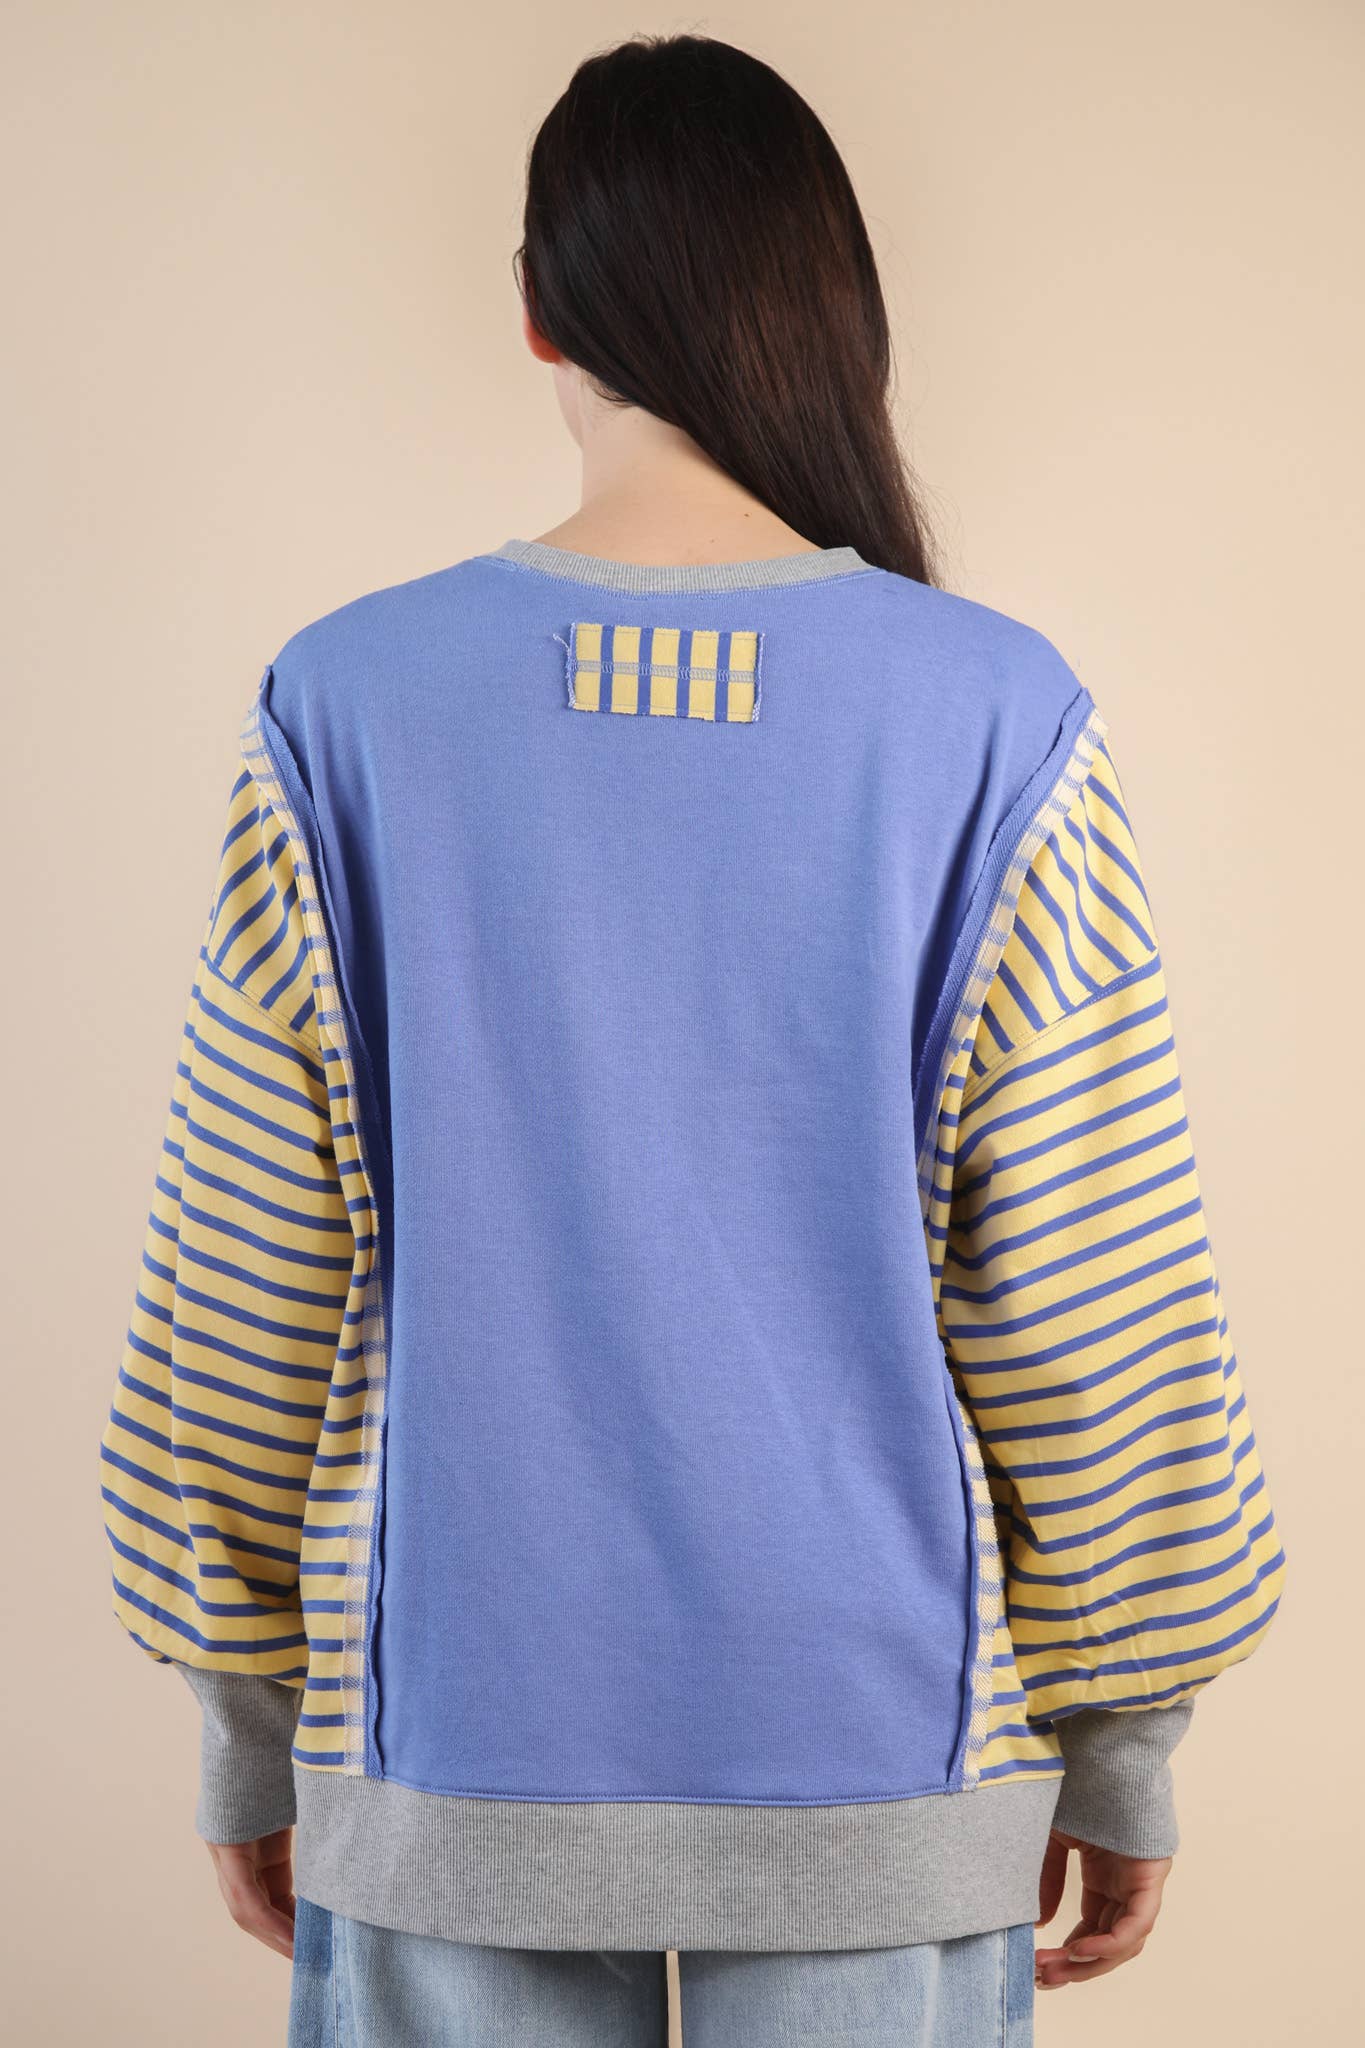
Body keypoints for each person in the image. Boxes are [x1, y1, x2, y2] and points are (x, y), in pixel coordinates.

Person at [98, 31, 1287, 2048]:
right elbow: (1098, 1297)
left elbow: (239, 1284)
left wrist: (246, 1723)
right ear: (828, 308)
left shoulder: (344, 707)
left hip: (444, 1741)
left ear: (537, 309)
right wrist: (1123, 1745)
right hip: (884, 1749)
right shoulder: (993, 718)